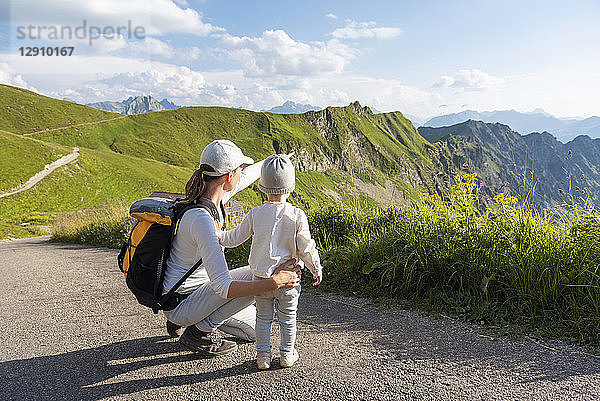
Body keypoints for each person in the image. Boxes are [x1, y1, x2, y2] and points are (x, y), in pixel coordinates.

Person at [162, 140, 301, 357]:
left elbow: (248, 176)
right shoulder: (202, 220)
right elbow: (224, 287)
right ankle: (199, 331)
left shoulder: (212, 196)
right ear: (228, 177)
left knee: (255, 332)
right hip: (183, 302)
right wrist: (274, 282)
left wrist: (277, 162)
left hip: (191, 292)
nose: (241, 174)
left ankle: (196, 319)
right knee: (260, 276)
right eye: (239, 169)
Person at [218, 154, 323, 369]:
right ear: (290, 187)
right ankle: (286, 354)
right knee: (288, 318)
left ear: (262, 187)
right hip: (289, 280)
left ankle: (263, 357)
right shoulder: (296, 215)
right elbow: (306, 247)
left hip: (261, 279)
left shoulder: (255, 214)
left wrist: (217, 233)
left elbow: (234, 239)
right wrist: (315, 267)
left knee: (263, 318)